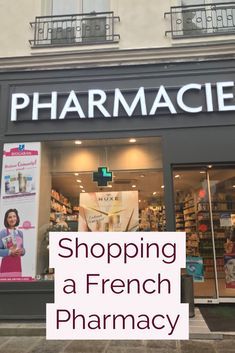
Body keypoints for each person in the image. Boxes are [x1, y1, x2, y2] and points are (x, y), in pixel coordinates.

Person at [0, 209, 25, 277]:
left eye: (14, 216)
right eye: (10, 217)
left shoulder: (20, 233)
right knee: (6, 287)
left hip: (17, 266)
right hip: (6, 267)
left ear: (17, 218)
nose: (12, 219)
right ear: (6, 219)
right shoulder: (3, 233)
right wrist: (10, 252)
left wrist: (22, 251)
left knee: (17, 286)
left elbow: (22, 249)